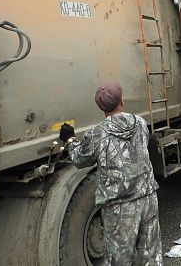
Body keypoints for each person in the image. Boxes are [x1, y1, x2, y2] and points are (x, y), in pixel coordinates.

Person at [59, 81, 163, 266]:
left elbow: (80, 160)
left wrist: (70, 140)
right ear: (121, 101)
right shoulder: (139, 123)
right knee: (151, 255)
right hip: (148, 197)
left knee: (120, 260)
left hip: (119, 205)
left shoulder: (97, 134)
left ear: (101, 108)